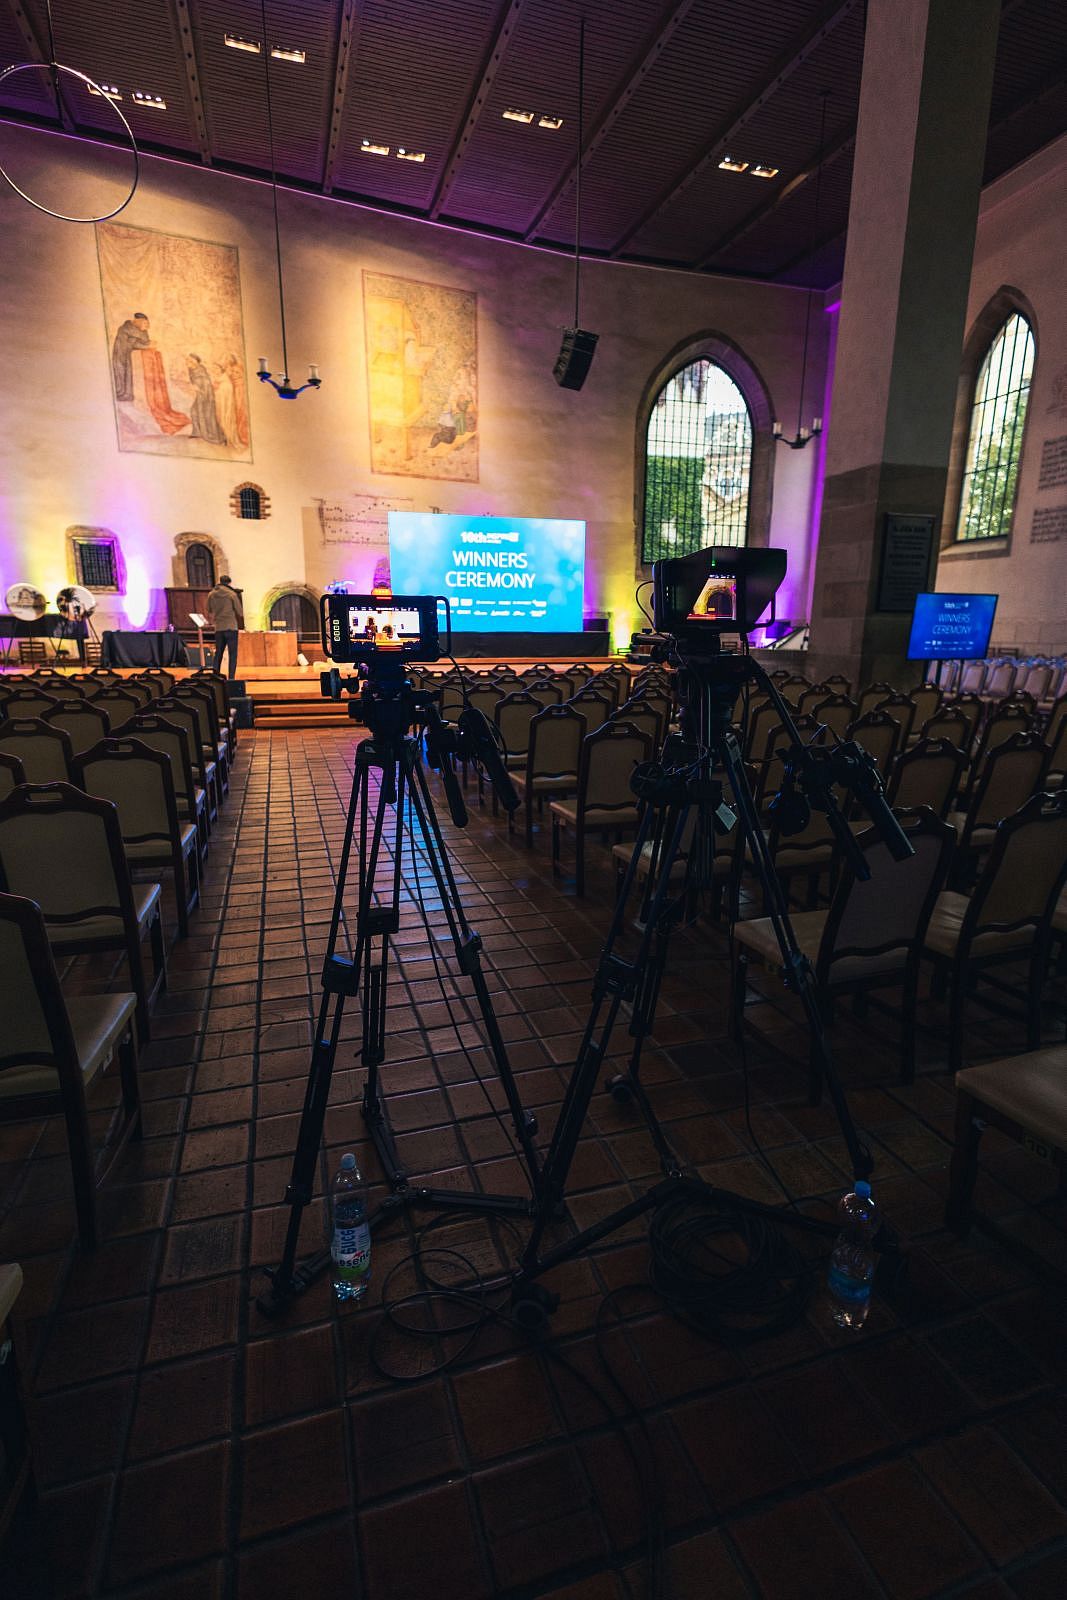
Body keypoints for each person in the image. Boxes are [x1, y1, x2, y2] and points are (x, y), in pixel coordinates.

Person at [207, 574, 244, 679]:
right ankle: (231, 678)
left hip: (219, 627)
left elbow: (209, 609)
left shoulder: (211, 594)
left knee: (218, 653)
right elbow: (240, 612)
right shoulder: (231, 594)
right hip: (231, 627)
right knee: (232, 654)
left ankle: (215, 677)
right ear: (229, 582)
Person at [111, 312, 151, 402]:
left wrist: (148, 344)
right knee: (122, 374)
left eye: (147, 323)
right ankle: (121, 393)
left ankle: (128, 394)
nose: (147, 326)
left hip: (133, 357)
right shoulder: (124, 329)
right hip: (122, 355)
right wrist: (146, 346)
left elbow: (145, 341)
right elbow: (126, 345)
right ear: (137, 321)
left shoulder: (143, 331)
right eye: (145, 323)